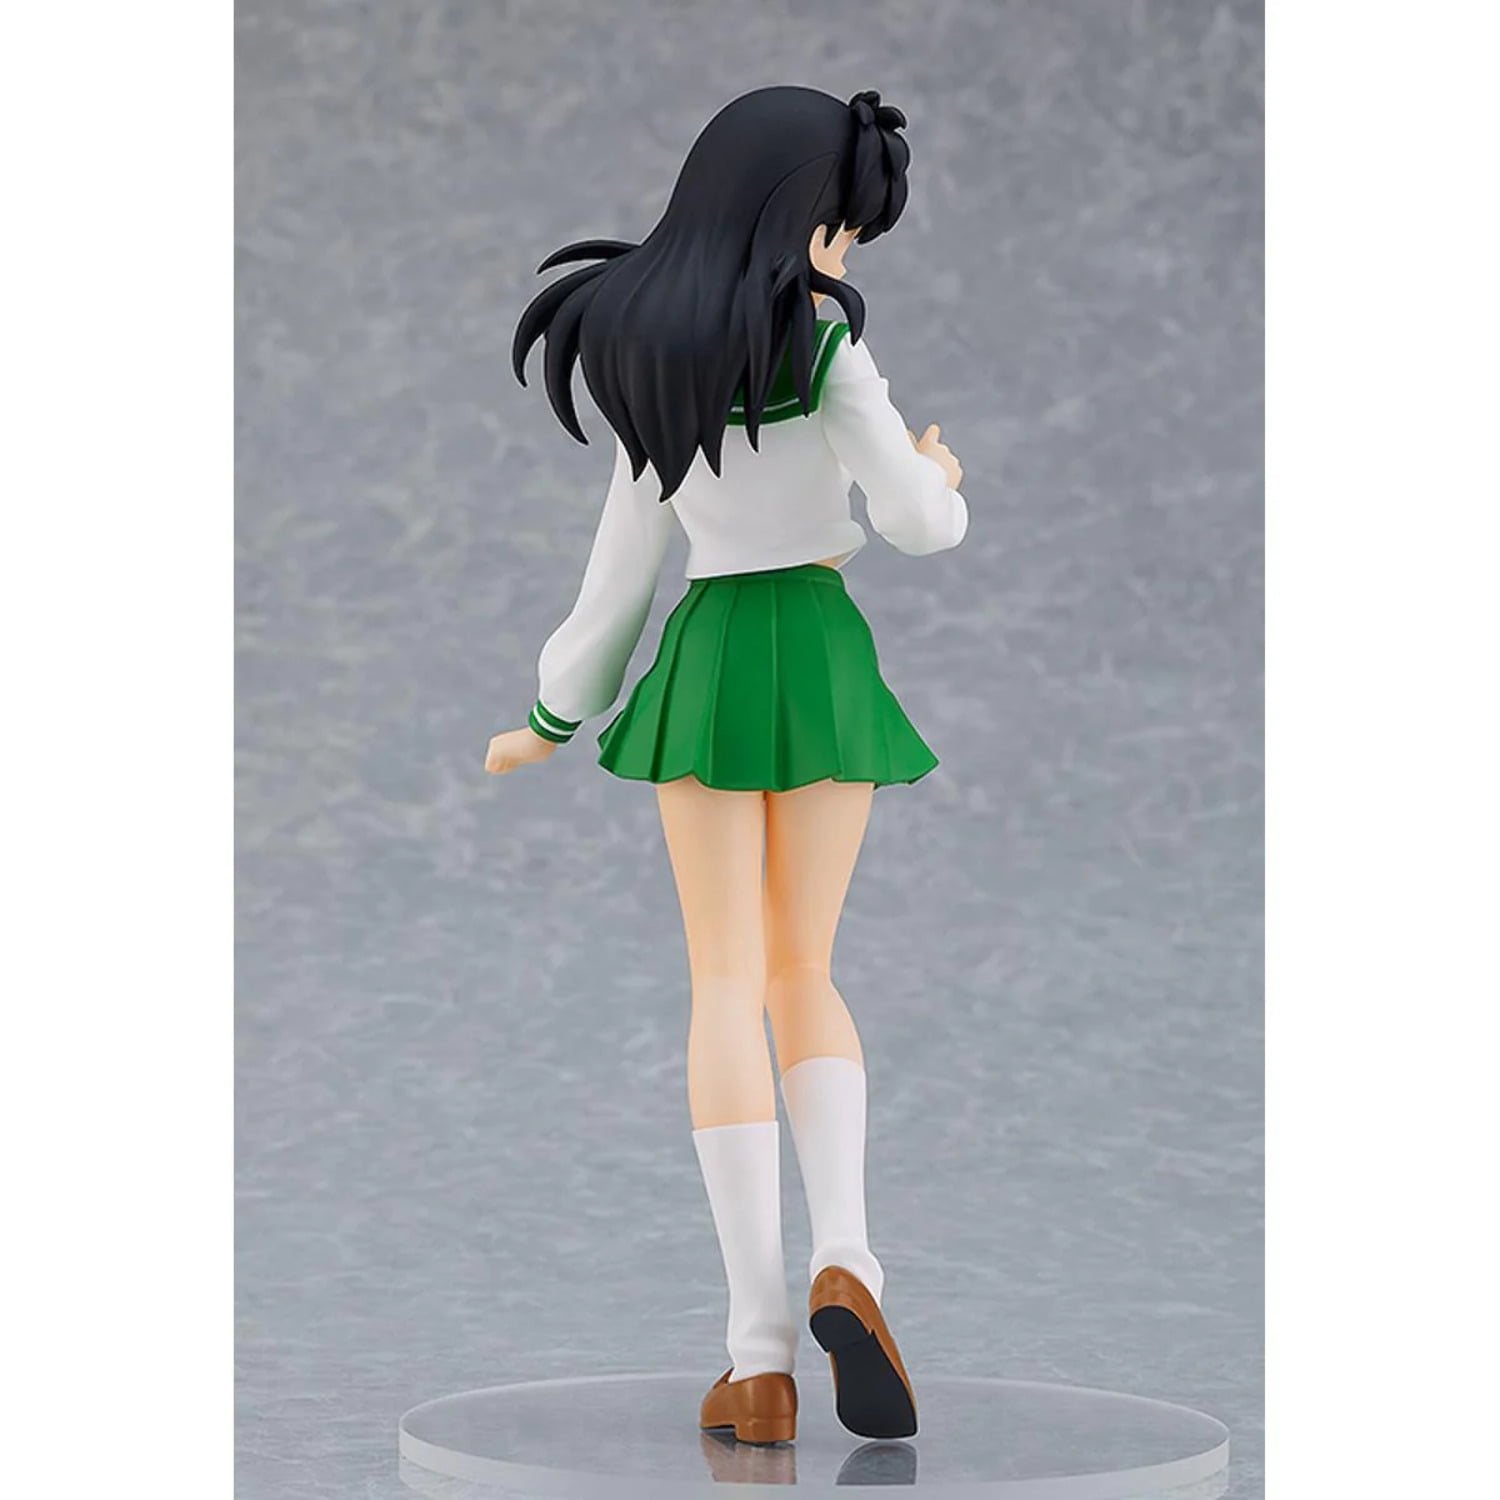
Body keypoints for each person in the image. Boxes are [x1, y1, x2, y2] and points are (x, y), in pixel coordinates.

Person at [485, 85, 967, 1445]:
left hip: (705, 663)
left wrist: (553, 716)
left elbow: (620, 575)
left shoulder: (653, 356)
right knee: (806, 968)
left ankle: (757, 1360)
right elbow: (919, 524)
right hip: (814, 654)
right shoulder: (826, 347)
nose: (844, 254)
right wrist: (938, 472)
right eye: (841, 228)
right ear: (798, 219)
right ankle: (848, 1260)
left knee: (721, 986)